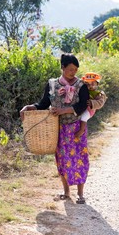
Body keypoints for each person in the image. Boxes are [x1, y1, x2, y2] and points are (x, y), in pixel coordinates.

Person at [20, 54, 89, 204]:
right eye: (70, 69)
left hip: (76, 127)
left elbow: (83, 105)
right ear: (62, 67)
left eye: (76, 69)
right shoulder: (52, 84)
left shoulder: (81, 86)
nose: (73, 72)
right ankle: (66, 191)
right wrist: (30, 107)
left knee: (79, 159)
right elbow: (44, 102)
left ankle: (80, 194)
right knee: (62, 160)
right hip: (57, 129)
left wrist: (64, 111)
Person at [75, 72, 107, 137]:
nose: (90, 86)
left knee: (84, 117)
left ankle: (81, 130)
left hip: (89, 110)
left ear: (97, 84)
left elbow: (100, 103)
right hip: (82, 107)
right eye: (87, 84)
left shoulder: (98, 93)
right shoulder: (84, 90)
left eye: (92, 84)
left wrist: (92, 102)